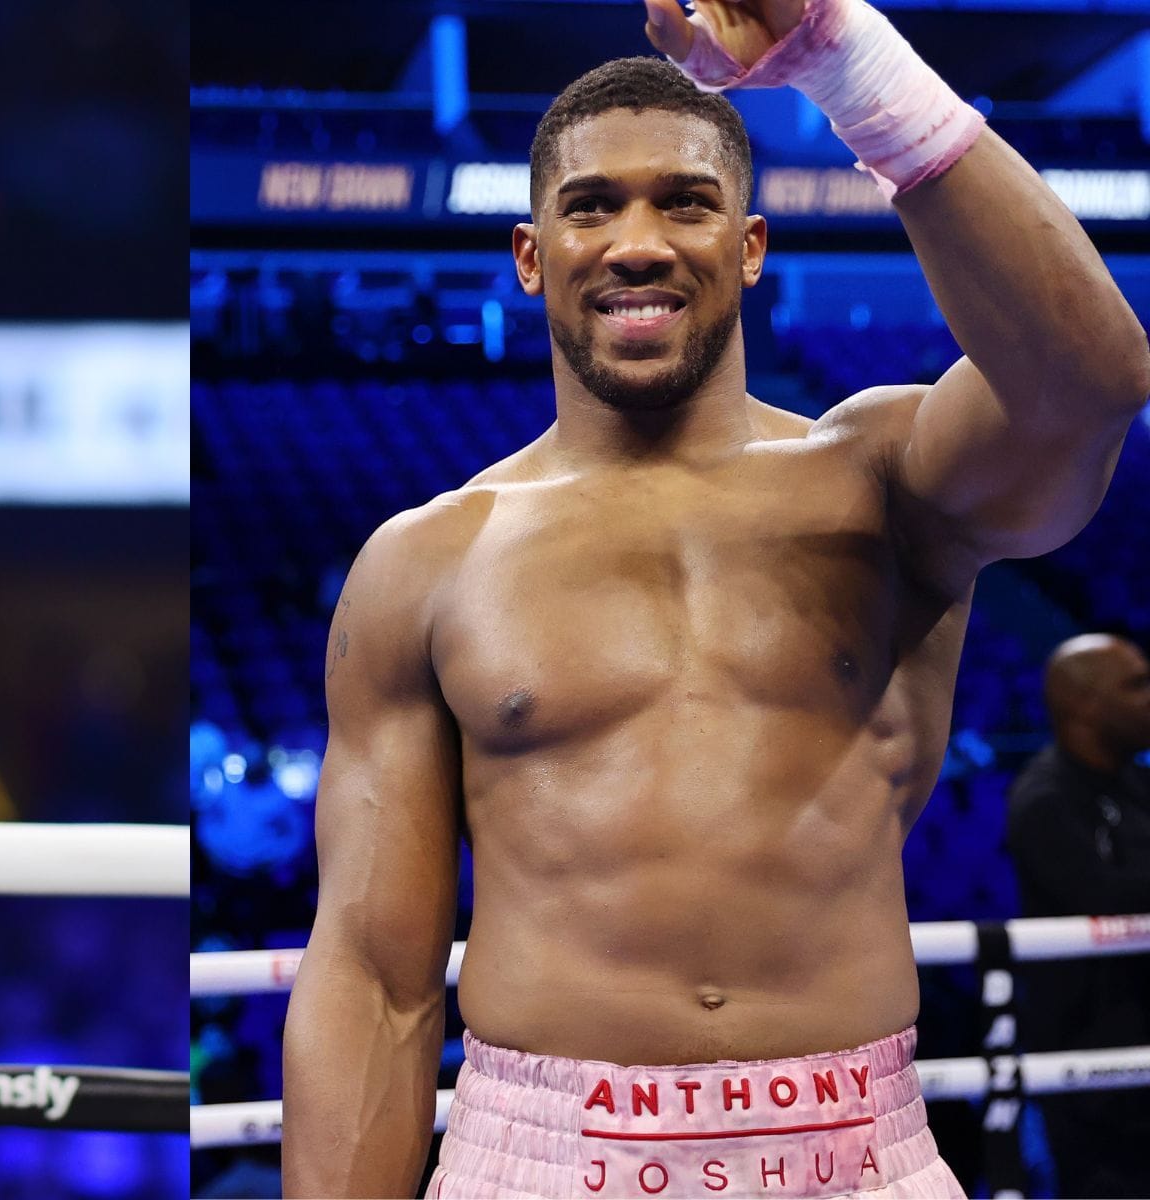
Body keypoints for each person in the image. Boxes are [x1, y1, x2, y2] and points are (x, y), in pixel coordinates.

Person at [280, 0, 1150, 1194]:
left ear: (749, 247)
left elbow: (1089, 385)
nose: (636, 241)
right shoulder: (427, 561)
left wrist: (851, 64)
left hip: (858, 1153)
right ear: (532, 254)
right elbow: (375, 979)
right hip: (535, 1154)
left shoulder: (885, 480)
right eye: (591, 205)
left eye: (684, 201)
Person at [1006, 633, 1150, 1197]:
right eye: (1136, 684)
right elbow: (1105, 895)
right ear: (1084, 703)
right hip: (1091, 1073)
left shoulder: (1137, 784)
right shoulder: (1043, 798)